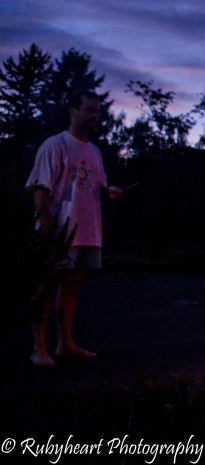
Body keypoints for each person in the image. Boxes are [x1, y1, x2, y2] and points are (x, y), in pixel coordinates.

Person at [25, 91, 123, 366]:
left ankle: (65, 343)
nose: (95, 116)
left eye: (97, 112)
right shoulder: (55, 145)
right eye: (89, 110)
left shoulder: (94, 151)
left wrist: (110, 191)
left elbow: (98, 187)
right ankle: (38, 348)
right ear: (73, 111)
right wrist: (45, 228)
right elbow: (40, 189)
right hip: (58, 230)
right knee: (45, 286)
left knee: (71, 287)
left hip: (86, 229)